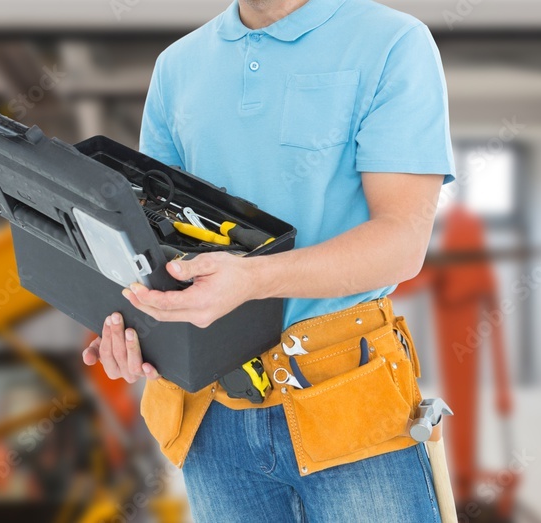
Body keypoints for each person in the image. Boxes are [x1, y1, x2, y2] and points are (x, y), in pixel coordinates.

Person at [81, 0, 455, 520]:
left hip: (347, 402)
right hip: (212, 409)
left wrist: (253, 279)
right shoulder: (178, 67)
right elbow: (154, 245)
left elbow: (402, 242)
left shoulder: (391, 42)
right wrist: (136, 328)